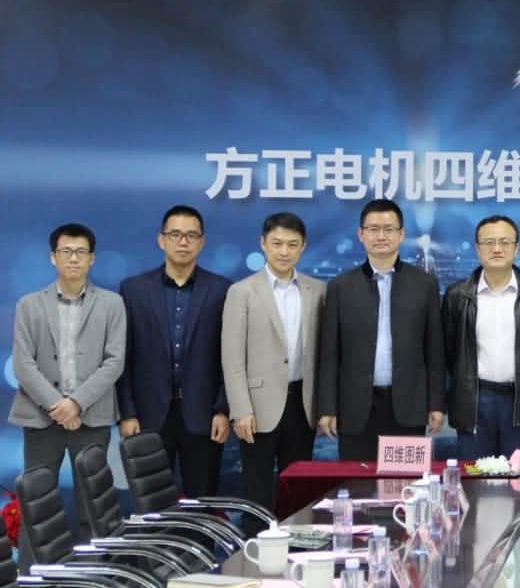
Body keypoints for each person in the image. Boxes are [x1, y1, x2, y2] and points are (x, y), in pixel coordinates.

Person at [10, 223, 125, 567]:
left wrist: (76, 403)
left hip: (92, 418)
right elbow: (23, 363)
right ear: (53, 257)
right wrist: (57, 405)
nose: (73, 259)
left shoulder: (112, 304)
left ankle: (93, 576)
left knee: (94, 506)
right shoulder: (29, 304)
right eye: (66, 252)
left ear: (91, 258)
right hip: (41, 419)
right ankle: (31, 577)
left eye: (80, 252)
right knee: (37, 507)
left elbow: (115, 361)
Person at [116, 205, 232, 497]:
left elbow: (230, 357)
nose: (183, 242)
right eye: (176, 234)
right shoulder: (134, 290)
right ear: (161, 240)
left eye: (191, 236)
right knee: (152, 504)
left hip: (204, 416)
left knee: (202, 500)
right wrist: (127, 413)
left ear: (202, 242)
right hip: (148, 416)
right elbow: (123, 357)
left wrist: (223, 409)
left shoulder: (222, 290)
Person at [317, 199, 446, 461]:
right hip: (355, 408)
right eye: (373, 229)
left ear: (402, 234)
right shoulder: (341, 287)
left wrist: (436, 404)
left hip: (408, 406)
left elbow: (434, 351)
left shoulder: (424, 284)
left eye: (388, 229)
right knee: (356, 481)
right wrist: (327, 408)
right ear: (361, 234)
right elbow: (329, 354)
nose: (381, 236)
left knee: (406, 482)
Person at [222, 212, 325, 532]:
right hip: (257, 407)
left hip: (302, 402)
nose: (284, 251)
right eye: (277, 243)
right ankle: (254, 552)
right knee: (257, 489)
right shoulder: (242, 291)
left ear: (303, 247)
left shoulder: (318, 290)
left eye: (292, 244)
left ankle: (298, 550)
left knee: (298, 488)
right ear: (263, 244)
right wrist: (240, 409)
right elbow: (232, 357)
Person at [442, 215, 520, 459]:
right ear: (478, 248)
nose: (497, 249)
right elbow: (449, 351)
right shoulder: (457, 295)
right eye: (489, 242)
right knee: (474, 475)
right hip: (475, 400)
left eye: (504, 242)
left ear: (516, 248)